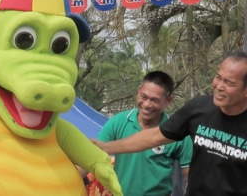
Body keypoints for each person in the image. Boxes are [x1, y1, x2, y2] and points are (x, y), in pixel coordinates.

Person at [92, 49, 247, 196]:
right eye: (218, 77)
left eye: (229, 83)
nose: (219, 86)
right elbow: (153, 137)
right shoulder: (198, 109)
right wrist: (106, 147)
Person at [92, 71, 193, 196]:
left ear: (168, 101)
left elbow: (192, 179)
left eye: (155, 100)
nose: (147, 104)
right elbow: (93, 156)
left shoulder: (177, 132)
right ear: (137, 91)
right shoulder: (118, 121)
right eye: (143, 97)